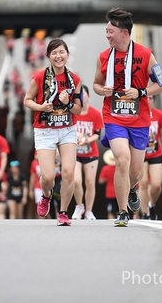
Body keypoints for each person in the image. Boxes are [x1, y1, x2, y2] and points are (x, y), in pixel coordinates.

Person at [93, 8, 162, 227]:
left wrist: (141, 92)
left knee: (135, 171)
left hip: (139, 119)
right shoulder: (103, 57)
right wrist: (102, 90)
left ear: (124, 33)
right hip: (113, 116)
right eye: (106, 31)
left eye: (111, 31)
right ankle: (122, 212)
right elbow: (96, 84)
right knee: (122, 160)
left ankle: (133, 188)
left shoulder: (145, 55)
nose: (107, 35)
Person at [23, 38, 82, 226]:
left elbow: (79, 109)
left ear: (67, 55)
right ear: (48, 56)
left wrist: (68, 103)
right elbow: (27, 100)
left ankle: (63, 212)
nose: (58, 56)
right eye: (54, 53)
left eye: (61, 52)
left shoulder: (74, 80)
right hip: (45, 130)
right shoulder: (40, 77)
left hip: (67, 129)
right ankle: (46, 195)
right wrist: (41, 107)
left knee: (68, 173)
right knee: (48, 177)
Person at [72, 84, 104, 220]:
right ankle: (79, 206)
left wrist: (87, 140)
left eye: (83, 93)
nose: (81, 96)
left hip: (91, 152)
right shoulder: (73, 113)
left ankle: (89, 211)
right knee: (76, 181)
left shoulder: (95, 114)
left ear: (88, 96)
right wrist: (77, 136)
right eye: (78, 94)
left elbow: (97, 134)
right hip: (75, 153)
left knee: (90, 182)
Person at [139, 96, 162, 220]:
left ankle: (151, 204)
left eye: (150, 98)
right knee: (143, 182)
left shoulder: (159, 114)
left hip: (156, 153)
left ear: (154, 100)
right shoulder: (137, 113)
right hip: (141, 153)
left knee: (156, 184)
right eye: (146, 98)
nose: (148, 100)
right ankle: (145, 213)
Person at [98, 149, 117, 220]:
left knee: (110, 211)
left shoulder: (105, 168)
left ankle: (111, 222)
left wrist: (107, 178)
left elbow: (100, 181)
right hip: (120, 193)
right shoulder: (119, 169)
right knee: (120, 210)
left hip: (110, 193)